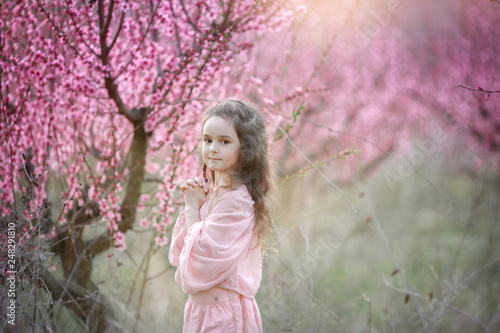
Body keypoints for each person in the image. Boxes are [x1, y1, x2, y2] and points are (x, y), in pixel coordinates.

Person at [169, 100, 275, 333]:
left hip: (225, 316)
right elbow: (179, 257)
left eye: (224, 141)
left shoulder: (235, 200)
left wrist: (190, 208)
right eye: (207, 140)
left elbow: (200, 260)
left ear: (245, 149)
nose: (212, 148)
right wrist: (197, 205)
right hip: (203, 311)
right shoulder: (216, 195)